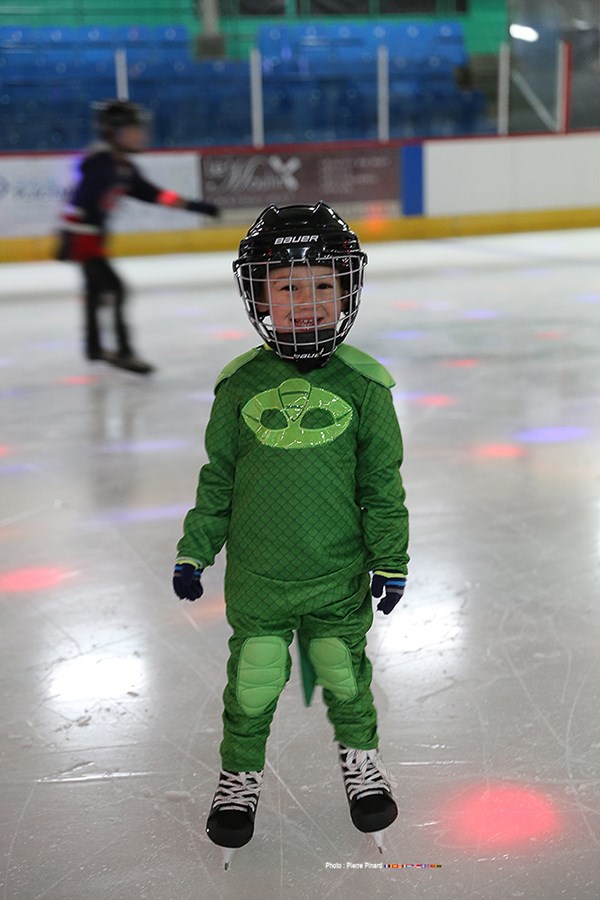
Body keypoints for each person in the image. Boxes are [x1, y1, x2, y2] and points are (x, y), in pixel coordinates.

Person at [172, 202, 409, 867]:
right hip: (260, 580)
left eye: (322, 286)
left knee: (343, 672)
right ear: (260, 294)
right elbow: (218, 481)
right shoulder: (239, 387)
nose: (306, 302)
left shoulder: (366, 388)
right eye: (287, 286)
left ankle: (362, 763)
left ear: (347, 291)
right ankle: (239, 780)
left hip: (337, 578)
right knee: (254, 679)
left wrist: (391, 560)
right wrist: (196, 548)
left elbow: (381, 488)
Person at [56, 99, 220, 374]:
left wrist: (196, 206)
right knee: (116, 289)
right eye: (134, 129)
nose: (141, 134)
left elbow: (155, 194)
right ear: (114, 132)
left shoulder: (122, 167)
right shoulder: (102, 162)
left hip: (90, 239)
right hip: (83, 241)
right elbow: (80, 201)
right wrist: (71, 240)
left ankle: (94, 347)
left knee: (97, 292)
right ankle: (124, 352)